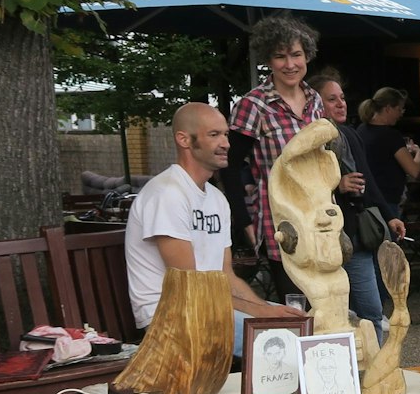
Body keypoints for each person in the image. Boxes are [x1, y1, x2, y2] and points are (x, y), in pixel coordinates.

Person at [125, 103, 306, 358]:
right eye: (214, 135)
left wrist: (266, 309)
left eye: (226, 134)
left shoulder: (216, 198)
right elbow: (190, 285)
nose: (226, 144)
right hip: (171, 315)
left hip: (211, 307)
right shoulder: (167, 194)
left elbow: (226, 276)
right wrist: (262, 313)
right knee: (284, 344)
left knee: (305, 325)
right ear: (184, 140)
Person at [229, 13, 323, 295]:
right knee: (295, 302)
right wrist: (244, 222)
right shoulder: (253, 105)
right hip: (279, 219)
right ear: (268, 60)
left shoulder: (315, 100)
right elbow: (229, 167)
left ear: (307, 56)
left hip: (318, 217)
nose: (290, 64)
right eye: (280, 57)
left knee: (324, 298)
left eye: (296, 54)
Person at [311, 72, 405, 339]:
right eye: (332, 99)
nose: (341, 103)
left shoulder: (350, 134)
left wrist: (389, 216)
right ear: (315, 104)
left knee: (371, 311)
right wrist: (337, 186)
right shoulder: (309, 139)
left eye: (342, 98)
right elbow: (303, 187)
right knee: (331, 312)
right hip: (321, 238)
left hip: (354, 232)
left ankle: (376, 363)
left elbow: (368, 180)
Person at [353, 86, 420, 214]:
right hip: (387, 201)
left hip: (366, 199)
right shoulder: (391, 136)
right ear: (388, 108)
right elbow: (414, 171)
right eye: (399, 109)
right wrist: (419, 153)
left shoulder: (361, 130)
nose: (401, 114)